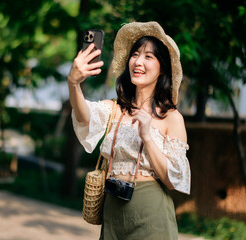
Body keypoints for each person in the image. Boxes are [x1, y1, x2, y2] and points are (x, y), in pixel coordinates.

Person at [68, 21, 191, 240]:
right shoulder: (115, 108)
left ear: (162, 67)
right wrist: (73, 83)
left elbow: (172, 181)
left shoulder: (172, 118)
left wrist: (147, 136)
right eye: (135, 54)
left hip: (151, 214)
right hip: (113, 211)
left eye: (149, 57)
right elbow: (83, 115)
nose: (138, 61)